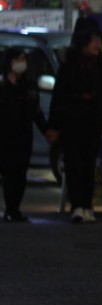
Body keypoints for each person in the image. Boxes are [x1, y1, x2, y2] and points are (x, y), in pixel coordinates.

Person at [49, 16, 102, 224]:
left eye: (98, 39)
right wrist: (54, 125)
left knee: (88, 166)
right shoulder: (68, 68)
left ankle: (87, 205)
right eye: (92, 39)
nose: (97, 44)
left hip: (92, 125)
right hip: (71, 124)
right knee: (73, 164)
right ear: (82, 41)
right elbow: (58, 97)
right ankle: (78, 205)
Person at [0, 49, 56, 223]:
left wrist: (46, 130)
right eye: (18, 59)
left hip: (24, 137)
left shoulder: (29, 87)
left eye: (24, 59)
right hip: (6, 138)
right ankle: (10, 209)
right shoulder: (3, 87)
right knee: (9, 174)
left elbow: (36, 113)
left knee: (20, 174)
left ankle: (15, 209)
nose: (21, 63)